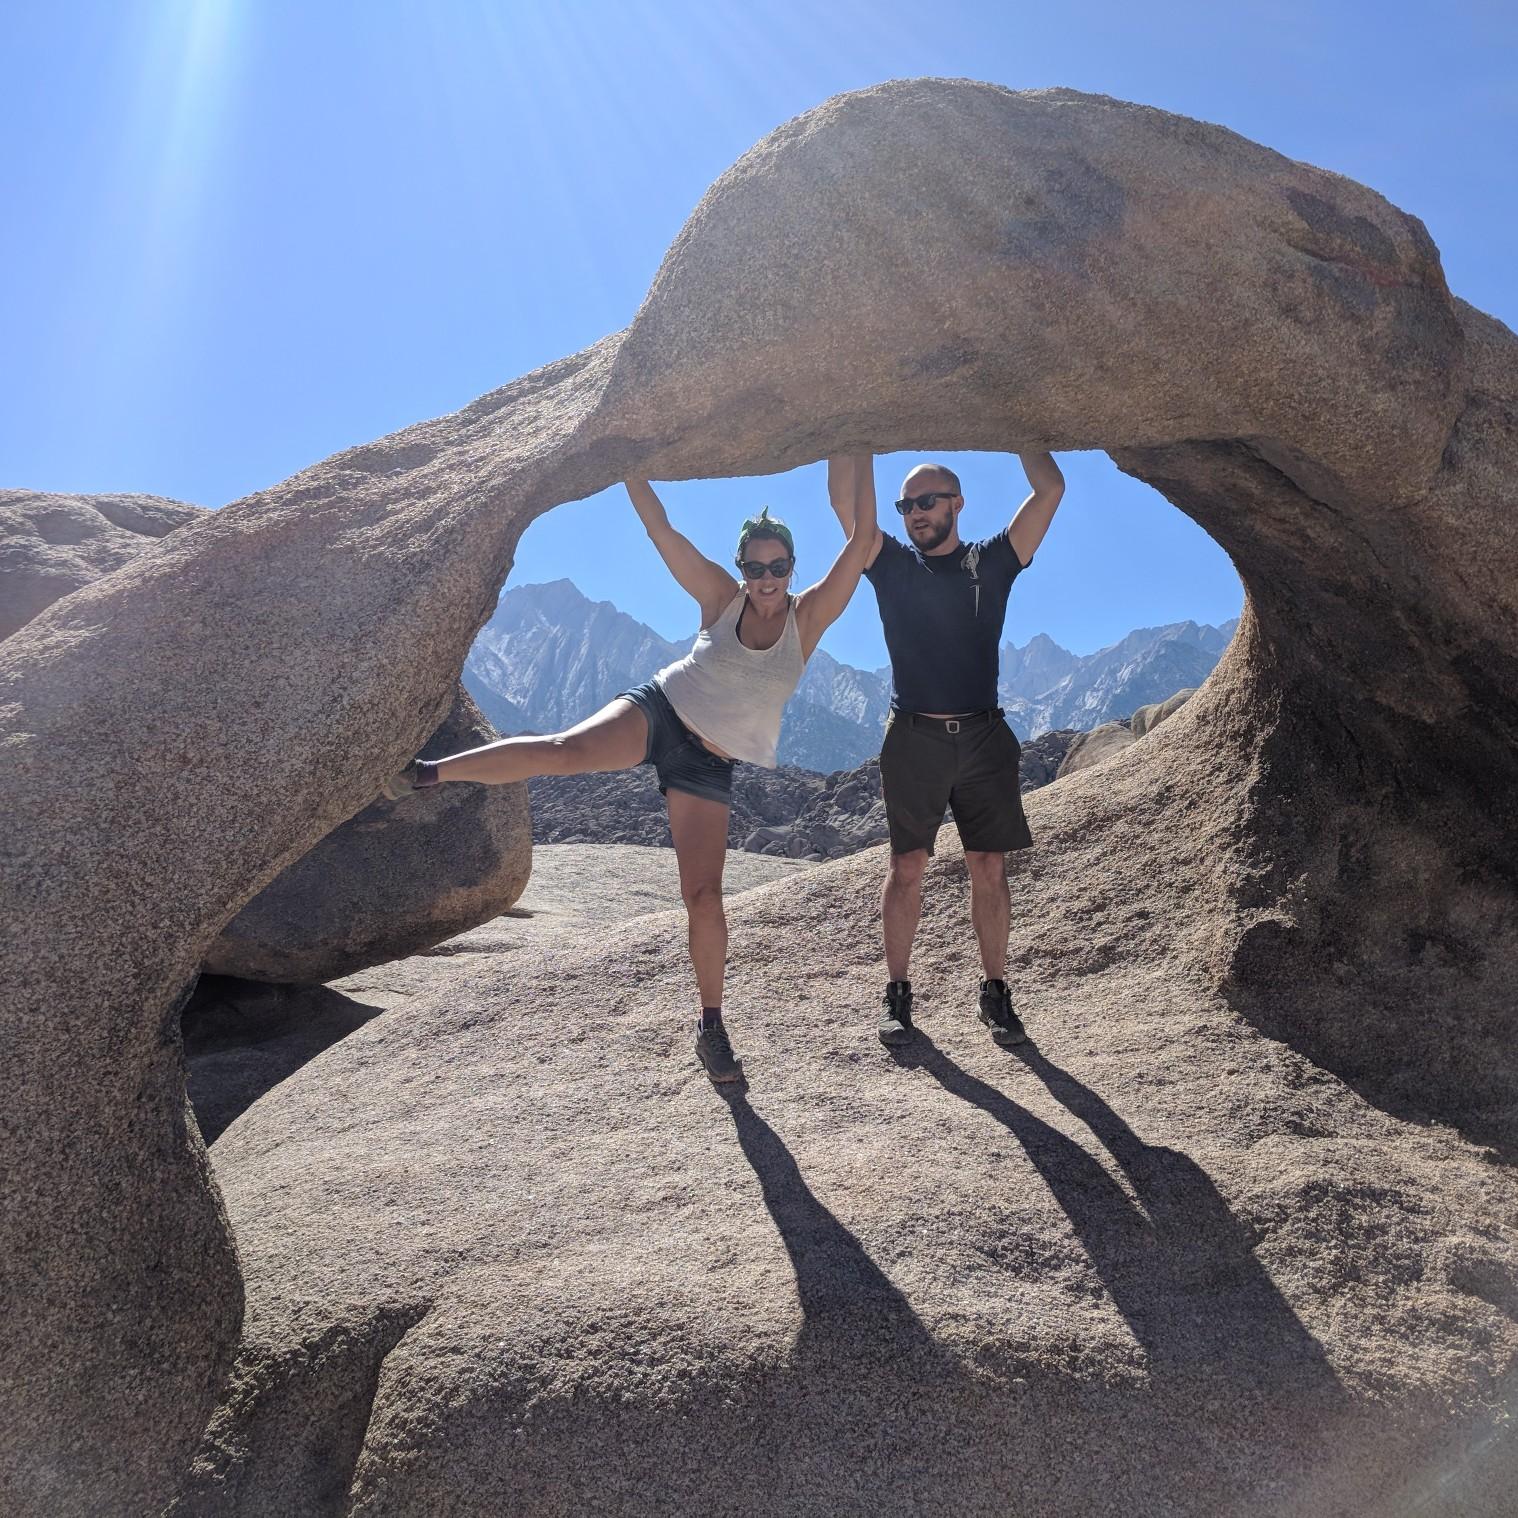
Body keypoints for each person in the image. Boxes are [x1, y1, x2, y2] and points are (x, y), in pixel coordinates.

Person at [383, 457, 879, 1083]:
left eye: (777, 566)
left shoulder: (808, 620)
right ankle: (426, 774)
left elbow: (862, 542)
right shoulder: (720, 600)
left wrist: (859, 447)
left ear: (791, 568)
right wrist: (628, 465)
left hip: (709, 765)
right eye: (754, 567)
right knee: (562, 750)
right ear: (741, 570)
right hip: (661, 712)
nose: (766, 578)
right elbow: (663, 532)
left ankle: (712, 1025)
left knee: (703, 896)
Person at [827, 452, 1066, 1049]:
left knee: (988, 865)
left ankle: (994, 993)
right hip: (913, 739)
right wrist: (855, 440)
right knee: (906, 867)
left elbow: (1050, 488)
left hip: (985, 737)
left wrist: (1014, 431)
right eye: (905, 506)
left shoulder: (993, 562)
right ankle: (898, 997)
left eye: (926, 501)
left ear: (957, 502)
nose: (914, 514)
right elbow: (843, 504)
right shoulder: (891, 566)